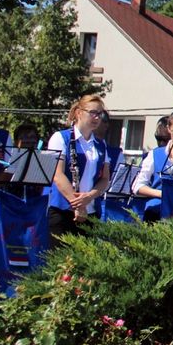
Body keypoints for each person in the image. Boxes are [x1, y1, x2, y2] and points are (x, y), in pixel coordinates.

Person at [46, 95, 112, 244]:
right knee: (62, 264)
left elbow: (105, 179)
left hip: (90, 212)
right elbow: (57, 175)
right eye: (93, 112)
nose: (97, 117)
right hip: (63, 211)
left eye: (99, 114)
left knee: (85, 264)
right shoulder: (60, 138)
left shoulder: (100, 144)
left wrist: (88, 197)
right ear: (79, 113)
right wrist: (78, 204)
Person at [132, 109, 173, 220]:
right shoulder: (155, 154)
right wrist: (162, 194)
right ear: (169, 129)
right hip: (156, 212)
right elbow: (137, 186)